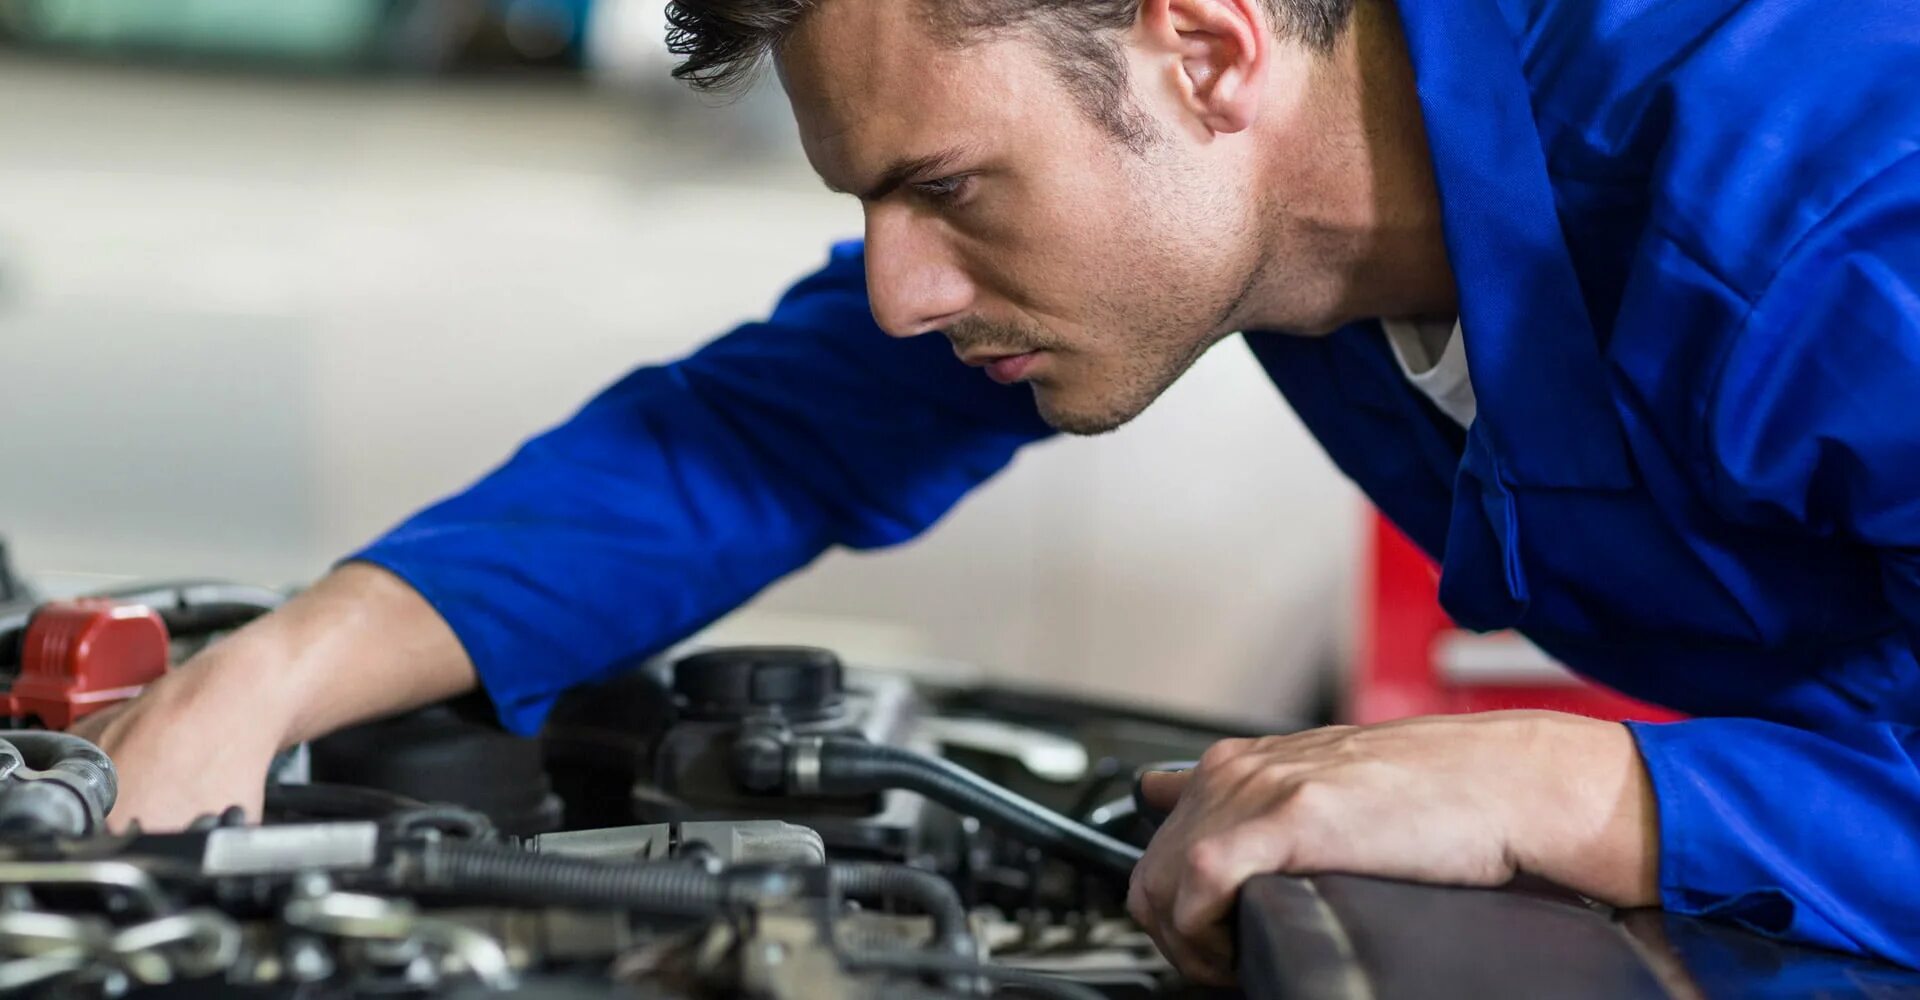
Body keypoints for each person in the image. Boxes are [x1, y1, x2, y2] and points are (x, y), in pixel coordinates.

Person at [73, 0, 1920, 983]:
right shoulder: (1284, 193)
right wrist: (275, 672)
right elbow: (765, 432)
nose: (895, 288)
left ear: (1205, 46)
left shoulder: (1824, 208)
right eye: (866, 203)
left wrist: (1591, 783)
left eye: (945, 187)